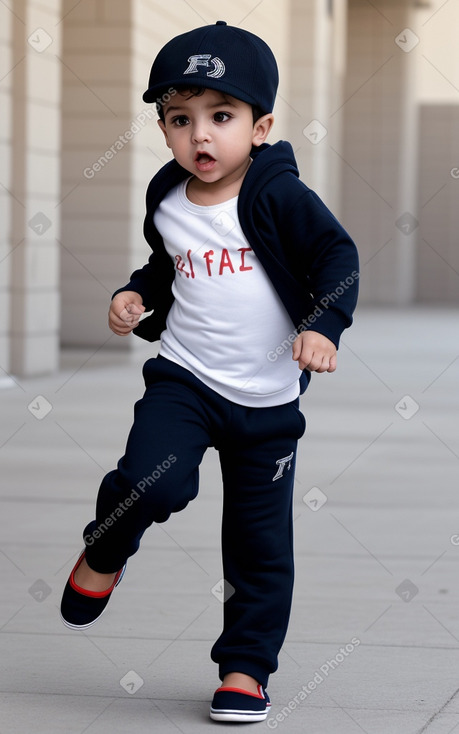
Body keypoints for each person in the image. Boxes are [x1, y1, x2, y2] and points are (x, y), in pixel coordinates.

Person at [60, 20, 359, 723]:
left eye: (221, 117)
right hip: (186, 380)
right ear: (163, 129)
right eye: (179, 119)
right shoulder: (166, 201)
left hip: (266, 403)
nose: (200, 136)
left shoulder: (278, 196)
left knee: (259, 546)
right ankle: (106, 549)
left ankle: (245, 670)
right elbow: (166, 269)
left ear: (259, 127)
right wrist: (136, 296)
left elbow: (336, 260)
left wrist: (322, 325)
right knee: (148, 480)